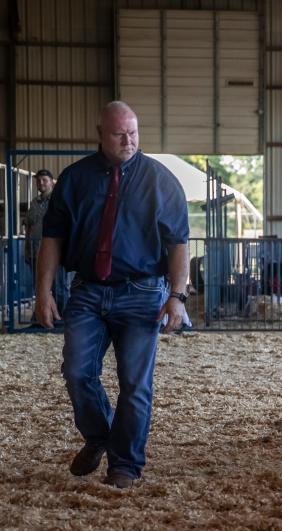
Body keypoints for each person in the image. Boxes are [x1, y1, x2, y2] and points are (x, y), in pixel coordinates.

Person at [34, 100, 190, 489]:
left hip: (142, 292)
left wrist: (178, 296)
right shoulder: (74, 179)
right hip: (87, 290)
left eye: (134, 132)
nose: (128, 140)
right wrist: (43, 292)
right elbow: (52, 238)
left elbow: (178, 243)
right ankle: (100, 436)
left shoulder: (160, 179)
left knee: (135, 383)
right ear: (100, 134)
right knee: (76, 372)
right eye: (120, 133)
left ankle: (126, 465)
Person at [22, 169, 70, 316]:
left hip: (54, 252)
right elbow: (29, 225)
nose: (41, 183)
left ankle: (61, 318)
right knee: (39, 287)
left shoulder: (59, 200)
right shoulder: (35, 202)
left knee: (58, 286)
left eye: (44, 180)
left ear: (52, 182)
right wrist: (27, 247)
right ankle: (40, 318)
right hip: (35, 250)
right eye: (38, 180)